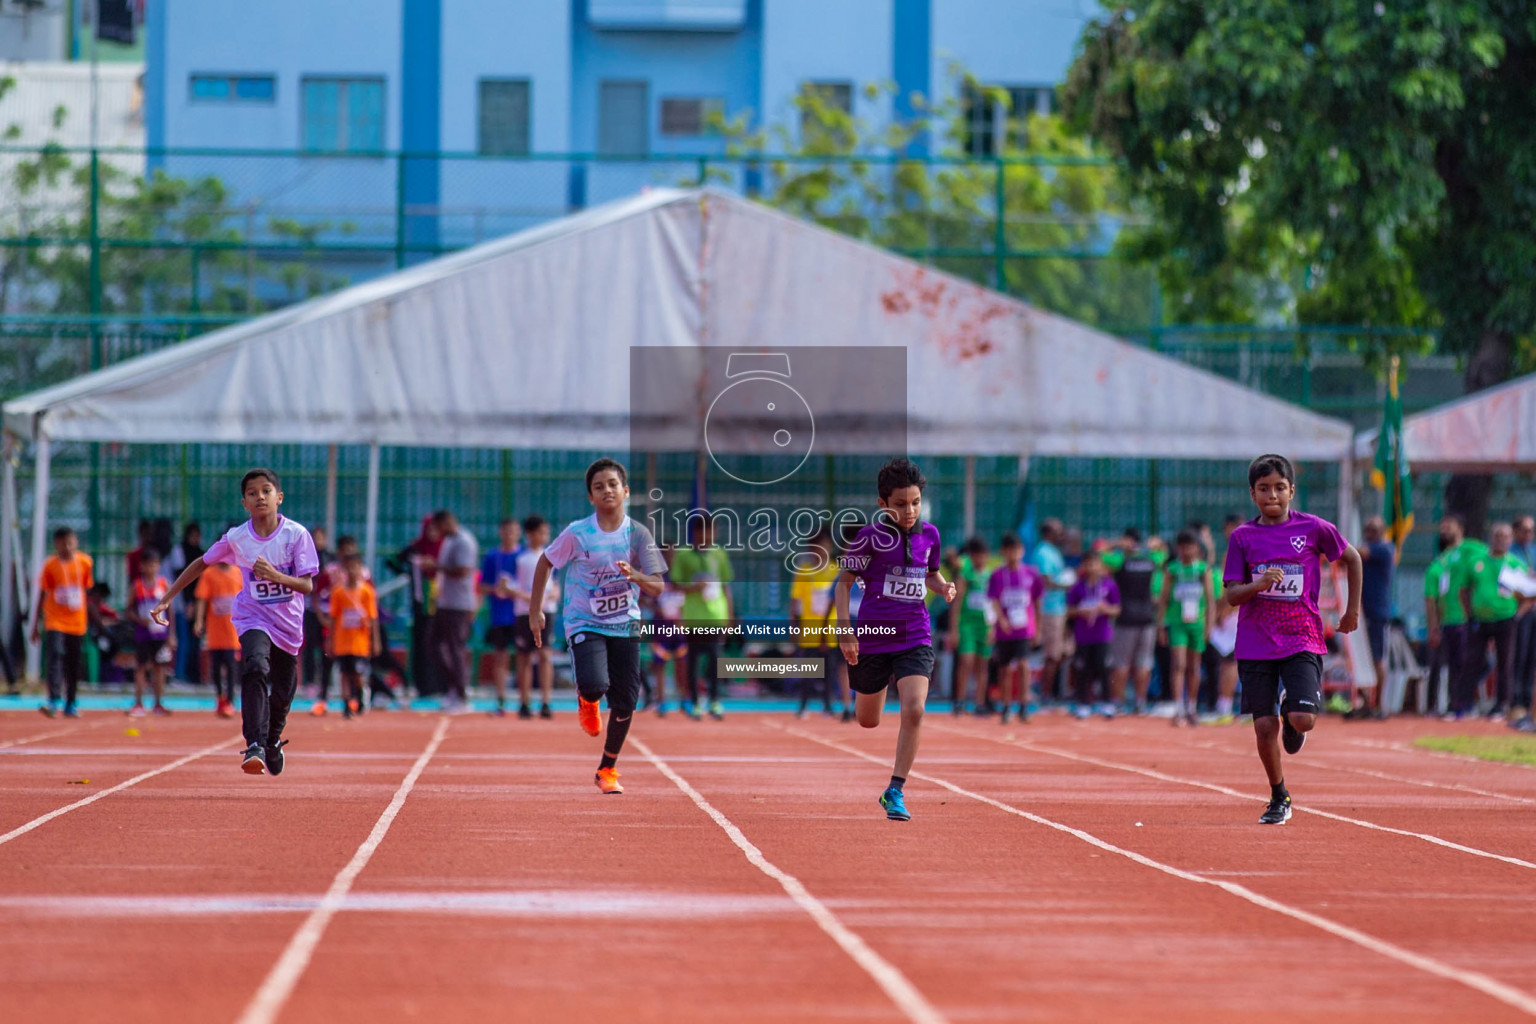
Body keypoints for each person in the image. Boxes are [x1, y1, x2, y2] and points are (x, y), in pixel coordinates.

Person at [1222, 454, 1361, 825]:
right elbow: (1233, 595)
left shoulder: (1314, 528)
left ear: (1291, 491)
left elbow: (1353, 559)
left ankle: (1291, 709)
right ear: (1253, 494)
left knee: (1303, 720)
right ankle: (1278, 795)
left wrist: (1350, 611)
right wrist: (1259, 583)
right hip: (1255, 641)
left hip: (1302, 637)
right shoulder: (1243, 538)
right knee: (1264, 727)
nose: (1272, 495)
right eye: (1264, 488)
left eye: (1279, 488)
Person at [152, 468, 319, 776]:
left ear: (279, 498)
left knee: (282, 694)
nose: (260, 497)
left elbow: (307, 585)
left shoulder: (296, 535)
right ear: (244, 502)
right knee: (255, 665)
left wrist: (276, 575)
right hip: (253, 618)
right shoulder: (238, 538)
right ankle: (254, 743)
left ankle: (272, 739)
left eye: (266, 491)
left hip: (289, 627)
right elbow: (202, 563)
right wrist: (167, 598)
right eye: (252, 493)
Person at [529, 458, 666, 794]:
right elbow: (546, 562)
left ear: (626, 491)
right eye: (598, 486)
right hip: (585, 619)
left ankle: (607, 769)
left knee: (626, 702)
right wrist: (536, 611)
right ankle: (587, 699)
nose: (607, 490)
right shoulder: (578, 533)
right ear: (590, 496)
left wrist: (635, 575)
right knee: (594, 684)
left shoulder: (639, 534)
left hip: (626, 622)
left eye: (613, 484)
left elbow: (658, 586)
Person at [835, 458, 956, 823]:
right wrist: (845, 632)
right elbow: (842, 584)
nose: (910, 510)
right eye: (901, 504)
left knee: (915, 708)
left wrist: (943, 586)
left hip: (915, 635)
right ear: (883, 504)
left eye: (916, 502)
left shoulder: (930, 535)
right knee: (868, 720)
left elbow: (929, 574)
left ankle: (895, 790)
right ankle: (879, 687)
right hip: (873, 637)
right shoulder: (869, 537)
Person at [1457, 523, 1533, 723]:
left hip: (1506, 619)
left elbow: (1530, 595)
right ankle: (1465, 704)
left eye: (1504, 536)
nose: (1500, 539)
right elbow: (1464, 590)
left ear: (1510, 540)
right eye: (1497, 535)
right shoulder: (1477, 561)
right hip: (1480, 620)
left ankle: (1501, 706)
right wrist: (1469, 614)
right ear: (1490, 538)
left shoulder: (1515, 564)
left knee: (1505, 663)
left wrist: (1516, 615)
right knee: (1473, 660)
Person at [670, 517, 735, 720]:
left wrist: (729, 617)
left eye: (711, 532)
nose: (707, 537)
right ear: (695, 533)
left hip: (716, 615)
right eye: (703, 532)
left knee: (716, 659)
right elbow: (675, 584)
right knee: (694, 661)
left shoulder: (719, 554)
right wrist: (694, 588)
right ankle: (695, 702)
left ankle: (715, 701)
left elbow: (726, 586)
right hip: (693, 617)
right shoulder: (683, 555)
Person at [32, 526, 94, 718]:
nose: (67, 546)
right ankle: (53, 699)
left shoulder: (85, 562)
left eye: (71, 542)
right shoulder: (50, 565)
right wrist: (35, 624)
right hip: (55, 619)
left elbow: (86, 589)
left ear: (76, 542)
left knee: (73, 662)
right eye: (63, 543)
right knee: (55, 656)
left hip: (77, 621)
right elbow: (42, 593)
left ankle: (71, 702)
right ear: (56, 544)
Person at [791, 526, 850, 720]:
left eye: (823, 546)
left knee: (829, 669)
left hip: (831, 628)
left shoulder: (836, 570)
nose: (819, 550)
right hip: (809, 628)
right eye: (815, 547)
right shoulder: (804, 571)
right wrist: (794, 624)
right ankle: (804, 705)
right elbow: (795, 599)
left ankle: (827, 705)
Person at [1157, 529, 1214, 726]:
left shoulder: (1202, 570)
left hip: (1197, 623)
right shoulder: (1172, 569)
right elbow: (1163, 599)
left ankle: (1192, 706)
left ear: (1197, 548)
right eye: (1182, 546)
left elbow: (1210, 599)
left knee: (1194, 665)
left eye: (1190, 546)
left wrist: (1209, 625)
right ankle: (1178, 707)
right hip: (1177, 622)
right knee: (1179, 664)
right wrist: (1160, 626)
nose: (1186, 550)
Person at [987, 532, 1044, 724]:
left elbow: (1037, 602)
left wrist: (1038, 628)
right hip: (1005, 630)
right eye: (1010, 550)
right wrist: (999, 621)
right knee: (1004, 669)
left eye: (1017, 550)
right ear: (1003, 552)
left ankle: (1024, 705)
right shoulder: (997, 575)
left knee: (1023, 664)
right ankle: (1005, 706)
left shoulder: (1031, 574)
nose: (1014, 554)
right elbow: (993, 600)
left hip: (1024, 629)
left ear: (1023, 551)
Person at [1104, 527, 1160, 714]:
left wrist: (1115, 544)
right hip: (1147, 618)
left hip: (1126, 618)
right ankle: (1140, 702)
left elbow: (1099, 553)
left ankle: (1118, 702)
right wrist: (1152, 546)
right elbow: (1165, 554)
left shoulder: (1120, 560)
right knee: (1143, 662)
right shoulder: (1151, 560)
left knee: (1121, 663)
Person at [429, 509, 479, 710]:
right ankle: (454, 686)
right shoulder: (448, 541)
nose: (437, 532)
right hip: (445, 602)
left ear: (447, 522)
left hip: (459, 604)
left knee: (455, 649)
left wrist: (437, 567)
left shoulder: (463, 541)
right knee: (432, 645)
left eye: (439, 527)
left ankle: (461, 694)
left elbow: (464, 570)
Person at [511, 515, 558, 719]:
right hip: (524, 612)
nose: (545, 536)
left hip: (547, 611)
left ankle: (546, 702)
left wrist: (553, 594)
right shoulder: (520, 559)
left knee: (546, 655)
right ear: (529, 534)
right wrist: (531, 599)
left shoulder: (551, 557)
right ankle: (524, 702)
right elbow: (510, 587)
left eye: (547, 532)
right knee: (524, 657)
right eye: (541, 532)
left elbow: (555, 585)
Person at [1351, 516, 1395, 719]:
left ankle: (1378, 704)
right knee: (1361, 658)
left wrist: (1334, 545)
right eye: (1368, 528)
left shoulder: (1384, 548)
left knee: (1378, 657)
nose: (1370, 532)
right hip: (1360, 610)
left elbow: (1358, 554)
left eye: (1375, 529)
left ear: (1383, 530)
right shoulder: (1368, 549)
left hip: (1377, 611)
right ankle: (1365, 701)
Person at [1067, 550, 1120, 718]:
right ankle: (1083, 703)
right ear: (1083, 566)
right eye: (1088, 564)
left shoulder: (1109, 585)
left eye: (1095, 563)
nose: (1092, 567)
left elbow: (1117, 609)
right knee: (1083, 669)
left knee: (1103, 668)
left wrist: (1105, 609)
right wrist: (1081, 611)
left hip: (1102, 635)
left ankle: (1106, 703)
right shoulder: (1077, 587)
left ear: (1101, 566)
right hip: (1083, 635)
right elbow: (1069, 610)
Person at [479, 518, 523, 717]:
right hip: (500, 615)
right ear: (500, 533)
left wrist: (515, 590)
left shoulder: (524, 556)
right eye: (505, 531)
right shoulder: (492, 557)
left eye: (512, 531)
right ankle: (501, 701)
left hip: (521, 613)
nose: (509, 535)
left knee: (524, 658)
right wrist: (496, 588)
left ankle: (525, 702)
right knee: (500, 658)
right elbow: (481, 585)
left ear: (519, 533)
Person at [329, 551, 379, 719]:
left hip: (359, 642)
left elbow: (373, 618)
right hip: (342, 641)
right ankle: (346, 705)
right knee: (344, 674)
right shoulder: (338, 593)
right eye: (348, 567)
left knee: (357, 674)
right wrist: (330, 640)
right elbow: (334, 618)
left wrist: (375, 641)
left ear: (360, 570)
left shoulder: (367, 592)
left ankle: (361, 695)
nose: (351, 571)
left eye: (355, 567)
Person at [124, 550, 174, 717]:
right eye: (148, 565)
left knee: (159, 668)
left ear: (158, 566)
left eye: (154, 564)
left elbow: (171, 611)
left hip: (160, 634)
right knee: (140, 667)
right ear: (142, 566)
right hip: (143, 633)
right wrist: (139, 619)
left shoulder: (163, 584)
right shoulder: (137, 586)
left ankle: (158, 703)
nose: (151, 568)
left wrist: (172, 634)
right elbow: (128, 611)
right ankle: (138, 703)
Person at [194, 553, 243, 718]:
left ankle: (229, 700)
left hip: (232, 631)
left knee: (231, 667)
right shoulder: (209, 574)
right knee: (215, 667)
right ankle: (220, 697)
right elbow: (202, 598)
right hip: (215, 631)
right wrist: (199, 621)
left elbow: (246, 598)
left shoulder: (238, 573)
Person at [1030, 519, 1073, 703]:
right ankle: (1045, 694)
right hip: (1049, 610)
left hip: (1059, 609)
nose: (1062, 533)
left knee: (1064, 652)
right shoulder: (1043, 553)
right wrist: (1067, 584)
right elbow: (1045, 581)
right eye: (1058, 530)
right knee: (1052, 655)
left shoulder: (1054, 552)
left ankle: (1049, 689)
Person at [948, 536, 993, 716]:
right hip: (966, 625)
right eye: (977, 556)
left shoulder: (990, 576)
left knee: (983, 665)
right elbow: (957, 602)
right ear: (971, 556)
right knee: (966, 662)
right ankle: (959, 700)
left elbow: (993, 603)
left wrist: (993, 627)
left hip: (985, 625)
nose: (980, 560)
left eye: (983, 556)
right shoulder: (965, 574)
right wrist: (954, 629)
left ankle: (980, 703)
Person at [647, 555, 688, 716]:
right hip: (661, 629)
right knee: (660, 664)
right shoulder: (654, 577)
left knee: (682, 664)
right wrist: (657, 608)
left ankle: (685, 699)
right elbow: (644, 599)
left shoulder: (682, 578)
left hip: (679, 630)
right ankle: (661, 701)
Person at [166, 521, 204, 685]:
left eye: (198, 536)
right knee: (183, 641)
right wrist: (188, 602)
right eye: (192, 535)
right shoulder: (179, 551)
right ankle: (179, 674)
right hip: (181, 602)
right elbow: (182, 578)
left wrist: (196, 603)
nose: (195, 539)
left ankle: (194, 674)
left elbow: (201, 581)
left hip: (197, 602)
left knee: (196, 641)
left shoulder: (202, 554)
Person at [1511, 515, 1536, 722]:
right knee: (1518, 657)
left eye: (1531, 530)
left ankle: (1528, 703)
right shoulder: (1510, 554)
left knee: (1532, 659)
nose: (1529, 534)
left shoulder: (1533, 551)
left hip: (1534, 610)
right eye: (1525, 530)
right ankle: (1516, 702)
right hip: (1518, 612)